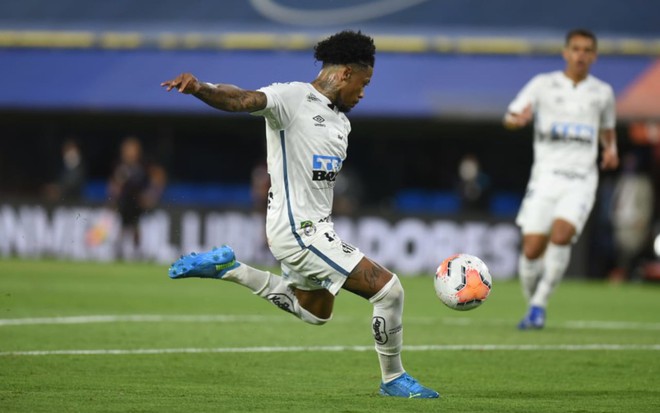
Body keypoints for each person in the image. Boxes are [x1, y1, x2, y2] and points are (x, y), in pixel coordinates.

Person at [161, 30, 439, 398]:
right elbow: (241, 98)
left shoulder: (341, 123)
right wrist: (201, 88)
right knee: (389, 290)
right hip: (298, 232)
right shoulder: (292, 98)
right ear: (343, 74)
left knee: (315, 312)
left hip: (315, 230)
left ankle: (230, 269)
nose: (363, 92)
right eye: (363, 82)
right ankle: (393, 379)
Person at [503, 28, 619, 329]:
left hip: (581, 178)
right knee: (531, 250)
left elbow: (607, 128)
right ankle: (533, 305)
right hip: (545, 177)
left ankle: (540, 305)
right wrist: (518, 120)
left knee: (562, 234)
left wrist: (610, 150)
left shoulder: (603, 92)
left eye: (587, 50)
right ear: (566, 52)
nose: (581, 55)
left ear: (594, 56)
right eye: (576, 49)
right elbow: (510, 116)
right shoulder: (543, 85)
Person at [107, 136, 167, 259]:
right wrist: (113, 195)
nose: (129, 153)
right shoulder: (120, 166)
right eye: (126, 150)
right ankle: (119, 252)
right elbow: (113, 185)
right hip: (124, 202)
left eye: (132, 150)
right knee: (122, 227)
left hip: (139, 202)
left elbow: (159, 175)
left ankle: (138, 252)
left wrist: (152, 194)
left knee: (136, 227)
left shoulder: (144, 164)